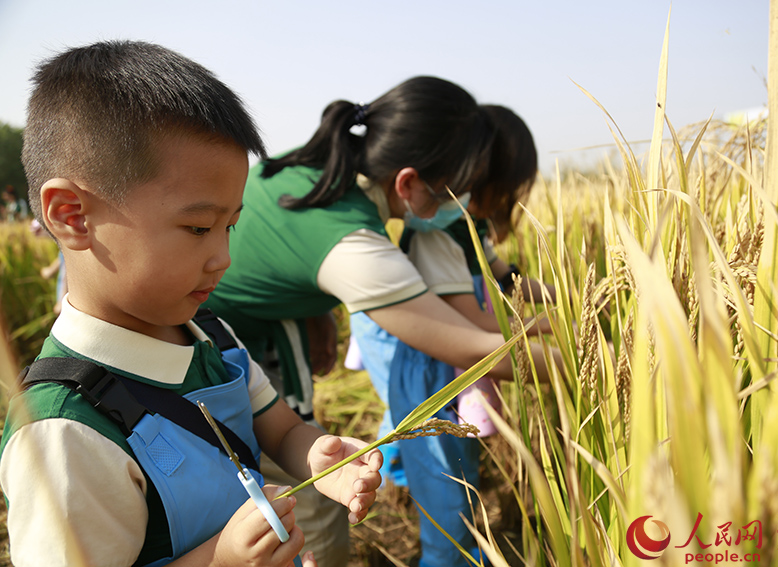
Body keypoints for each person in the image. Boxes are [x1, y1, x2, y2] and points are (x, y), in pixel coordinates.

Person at [0, 40, 382, 567]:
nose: (222, 257)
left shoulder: (211, 334)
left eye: (230, 226)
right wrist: (222, 560)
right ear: (71, 215)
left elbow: (281, 429)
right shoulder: (65, 434)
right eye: (199, 227)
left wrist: (321, 458)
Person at [203, 81, 560, 567]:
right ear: (409, 182)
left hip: (239, 329)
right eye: (458, 188)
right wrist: (590, 363)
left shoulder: (322, 165)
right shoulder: (354, 244)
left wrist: (316, 313)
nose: (466, 202)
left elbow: (282, 251)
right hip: (214, 347)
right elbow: (476, 351)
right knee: (303, 515)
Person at [350, 104, 557, 567]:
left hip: (444, 350)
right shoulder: (441, 231)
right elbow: (472, 325)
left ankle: (399, 473)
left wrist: (566, 292)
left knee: (422, 439)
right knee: (446, 472)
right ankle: (447, 552)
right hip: (428, 353)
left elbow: (505, 277)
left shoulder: (467, 225)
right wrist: (546, 331)